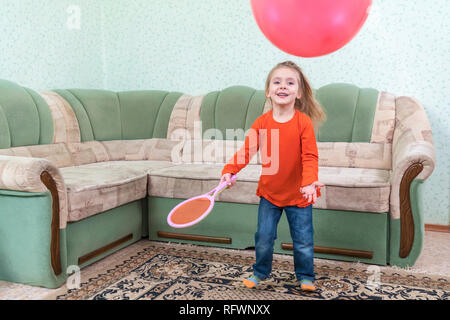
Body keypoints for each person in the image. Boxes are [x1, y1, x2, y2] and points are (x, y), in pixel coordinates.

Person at [219, 61, 326, 291]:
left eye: (290, 82)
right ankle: (260, 272)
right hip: (269, 194)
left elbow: (310, 156)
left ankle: (306, 276)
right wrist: (229, 170)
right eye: (276, 82)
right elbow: (246, 151)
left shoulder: (303, 122)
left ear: (298, 92)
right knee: (264, 238)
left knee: (303, 242)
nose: (283, 86)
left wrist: (309, 183)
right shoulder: (261, 123)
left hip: (300, 195)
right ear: (268, 91)